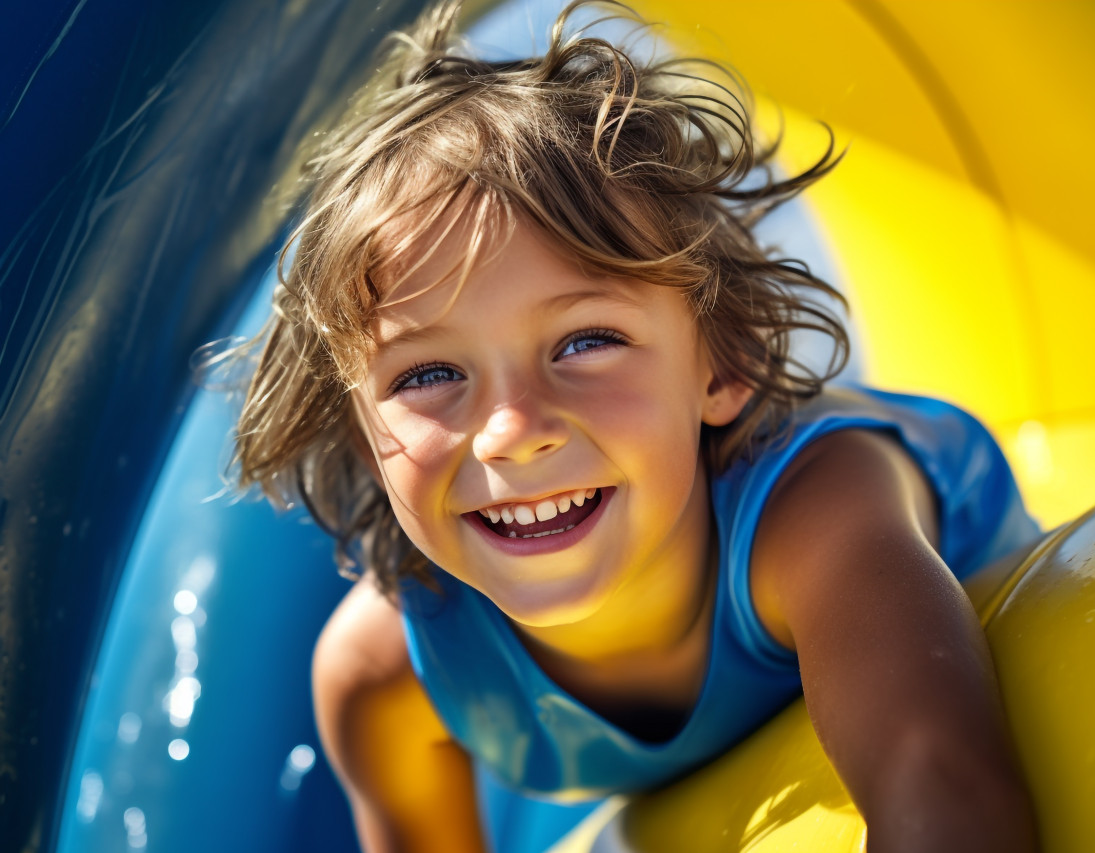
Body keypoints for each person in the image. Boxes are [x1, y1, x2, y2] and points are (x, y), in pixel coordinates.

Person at [230, 1, 1041, 850]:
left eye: (586, 341)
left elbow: (939, 779)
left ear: (723, 364)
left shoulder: (818, 515)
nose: (512, 430)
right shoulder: (386, 675)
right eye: (429, 373)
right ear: (365, 435)